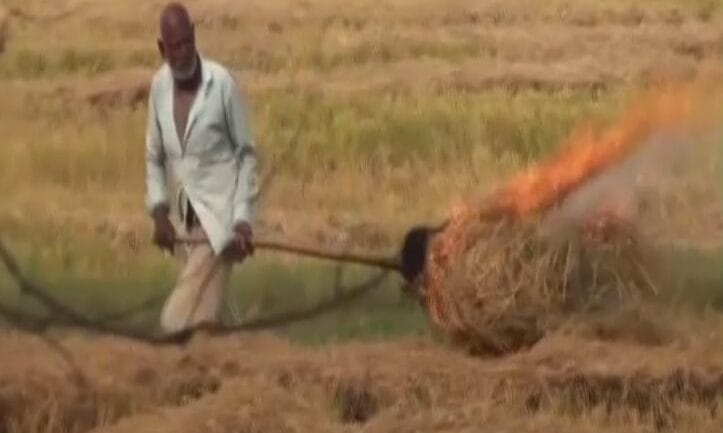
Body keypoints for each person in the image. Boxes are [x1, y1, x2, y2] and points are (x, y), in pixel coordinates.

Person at [144, 2, 258, 336]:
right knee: (203, 323)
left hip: (221, 223)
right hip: (186, 222)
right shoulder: (159, 87)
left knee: (175, 321)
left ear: (195, 36)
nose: (183, 53)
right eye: (175, 46)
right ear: (162, 48)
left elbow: (246, 155)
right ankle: (222, 371)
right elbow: (154, 154)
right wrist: (160, 212)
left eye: (187, 42)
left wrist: (241, 221)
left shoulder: (221, 85)